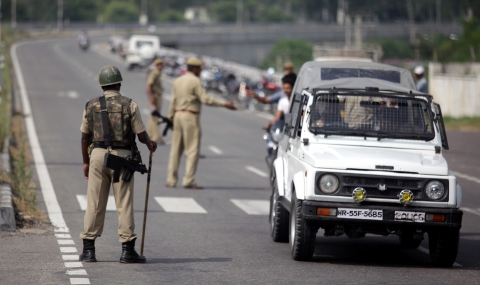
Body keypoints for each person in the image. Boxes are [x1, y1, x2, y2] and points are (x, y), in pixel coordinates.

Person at [79, 65, 157, 264]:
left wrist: (86, 163)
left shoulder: (90, 105)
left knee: (94, 203)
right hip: (122, 159)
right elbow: (140, 136)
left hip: (97, 156)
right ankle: (127, 251)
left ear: (102, 85)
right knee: (124, 203)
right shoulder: (130, 104)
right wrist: (150, 143)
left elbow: (84, 137)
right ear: (119, 83)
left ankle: (89, 250)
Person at [166, 58, 236, 189]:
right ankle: (188, 180)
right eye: (200, 69)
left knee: (175, 150)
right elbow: (205, 99)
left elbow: (173, 101)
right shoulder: (195, 81)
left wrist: (170, 119)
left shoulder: (178, 81)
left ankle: (171, 179)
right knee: (192, 150)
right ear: (196, 69)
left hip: (177, 115)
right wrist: (224, 104)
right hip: (190, 116)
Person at [146, 58, 165, 144]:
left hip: (157, 96)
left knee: (153, 116)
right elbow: (149, 85)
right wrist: (151, 96)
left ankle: (150, 135)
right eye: (159, 65)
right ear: (157, 66)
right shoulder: (155, 73)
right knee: (155, 117)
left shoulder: (157, 73)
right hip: (155, 96)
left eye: (161, 65)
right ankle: (155, 137)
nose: (161, 66)